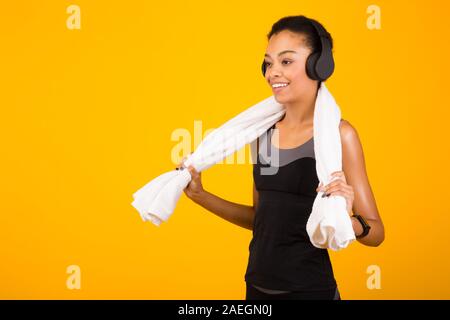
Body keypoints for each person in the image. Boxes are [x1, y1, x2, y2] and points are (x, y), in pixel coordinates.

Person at [176, 15, 385, 300]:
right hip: (256, 290)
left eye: (286, 61)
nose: (272, 72)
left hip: (312, 292)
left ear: (318, 65)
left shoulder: (340, 135)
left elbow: (376, 233)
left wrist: (347, 220)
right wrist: (201, 196)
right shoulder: (262, 134)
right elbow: (261, 219)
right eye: (269, 62)